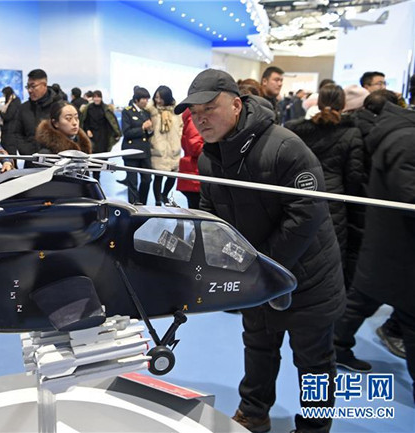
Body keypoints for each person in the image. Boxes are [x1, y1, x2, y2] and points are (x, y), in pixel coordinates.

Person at [175, 69, 344, 433]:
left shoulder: (284, 146)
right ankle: (254, 412)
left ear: (236, 105)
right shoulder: (209, 158)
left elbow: (307, 213)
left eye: (209, 108)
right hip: (255, 275)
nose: (200, 118)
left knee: (314, 361)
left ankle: (314, 428)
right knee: (258, 346)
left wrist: (261, 265)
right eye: (194, 112)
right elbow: (212, 215)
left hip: (306, 277)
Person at [333, 100, 415, 402]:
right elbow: (408, 194)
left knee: (363, 300)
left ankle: (335, 346)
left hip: (391, 240)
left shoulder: (399, 134)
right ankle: (334, 346)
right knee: (371, 302)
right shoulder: (406, 139)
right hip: (397, 242)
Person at [286, 84, 366, 289]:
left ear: (319, 102)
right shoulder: (351, 133)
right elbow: (354, 176)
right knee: (332, 253)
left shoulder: (296, 130)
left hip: (300, 193)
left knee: (300, 247)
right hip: (335, 200)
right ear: (343, 104)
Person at [4, 69, 60, 168]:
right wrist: (28, 152)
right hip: (31, 163)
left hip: (56, 163)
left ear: (44, 85)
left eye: (33, 86)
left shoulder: (58, 107)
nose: (29, 90)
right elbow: (16, 133)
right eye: (28, 87)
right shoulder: (23, 108)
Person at [145, 85, 182, 206]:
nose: (158, 100)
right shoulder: (152, 111)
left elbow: (181, 126)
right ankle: (157, 201)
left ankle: (164, 194)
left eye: (161, 98)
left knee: (173, 175)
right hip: (158, 148)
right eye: (156, 97)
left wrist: (178, 137)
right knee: (158, 177)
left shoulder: (176, 111)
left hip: (173, 148)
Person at [121, 87, 153, 205]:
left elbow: (149, 133)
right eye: (144, 99)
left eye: (147, 99)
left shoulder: (146, 113)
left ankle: (143, 204)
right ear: (137, 99)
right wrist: (142, 128)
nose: (146, 101)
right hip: (131, 152)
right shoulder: (127, 112)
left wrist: (150, 130)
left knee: (147, 179)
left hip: (144, 152)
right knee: (132, 182)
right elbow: (127, 132)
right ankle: (134, 206)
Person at [79, 90, 121, 180]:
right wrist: (87, 130)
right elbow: (85, 121)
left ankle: (96, 179)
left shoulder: (106, 108)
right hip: (91, 136)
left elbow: (111, 122)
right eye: (95, 97)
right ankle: (92, 179)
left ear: (101, 98)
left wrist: (116, 133)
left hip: (103, 137)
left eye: (98, 97)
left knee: (100, 160)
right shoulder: (88, 108)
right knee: (91, 158)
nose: (97, 99)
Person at [176, 108, 203, 209]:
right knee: (200, 214)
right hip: (195, 174)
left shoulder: (197, 116)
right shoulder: (195, 117)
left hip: (195, 174)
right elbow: (195, 147)